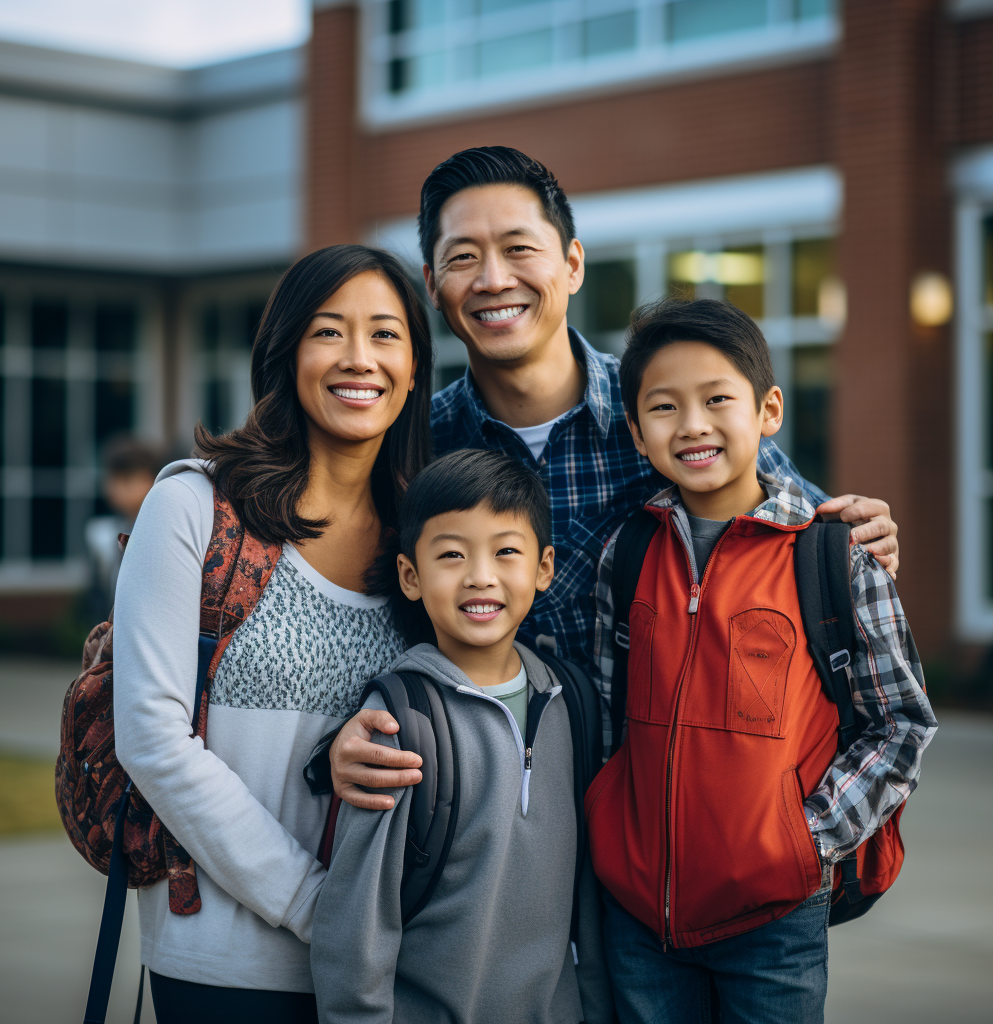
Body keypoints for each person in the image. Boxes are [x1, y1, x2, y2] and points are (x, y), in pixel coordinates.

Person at [325, 146, 902, 812]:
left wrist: (862, 540)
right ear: (432, 284)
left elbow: (813, 551)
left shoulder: (667, 418)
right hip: (472, 818)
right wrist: (343, 736)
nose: (492, 279)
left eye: (519, 249)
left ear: (571, 265)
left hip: (661, 833)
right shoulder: (409, 447)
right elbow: (366, 617)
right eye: (462, 258)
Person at [584, 298, 937, 1023]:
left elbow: (900, 725)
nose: (693, 425)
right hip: (640, 917)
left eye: (718, 399)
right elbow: (605, 717)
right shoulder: (627, 557)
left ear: (768, 409)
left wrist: (806, 843)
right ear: (637, 432)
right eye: (664, 407)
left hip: (774, 922)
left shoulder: (834, 555)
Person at [113, 245, 433, 1023]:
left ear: (417, 367)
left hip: (389, 970)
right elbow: (151, 737)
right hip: (229, 963)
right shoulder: (196, 507)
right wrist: (318, 906)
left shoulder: (427, 534)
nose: (360, 359)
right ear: (286, 352)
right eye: (330, 331)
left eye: (386, 334)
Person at [310, 449, 611, 1024]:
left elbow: (588, 905)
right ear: (410, 576)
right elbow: (357, 922)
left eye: (506, 551)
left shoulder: (567, 702)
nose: (480, 575)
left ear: (544, 568)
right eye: (451, 554)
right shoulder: (400, 722)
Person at [84, 435, 163, 615]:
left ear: (149, 479)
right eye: (112, 479)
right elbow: (97, 596)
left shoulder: (161, 531)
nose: (116, 488)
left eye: (126, 480)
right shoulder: (102, 533)